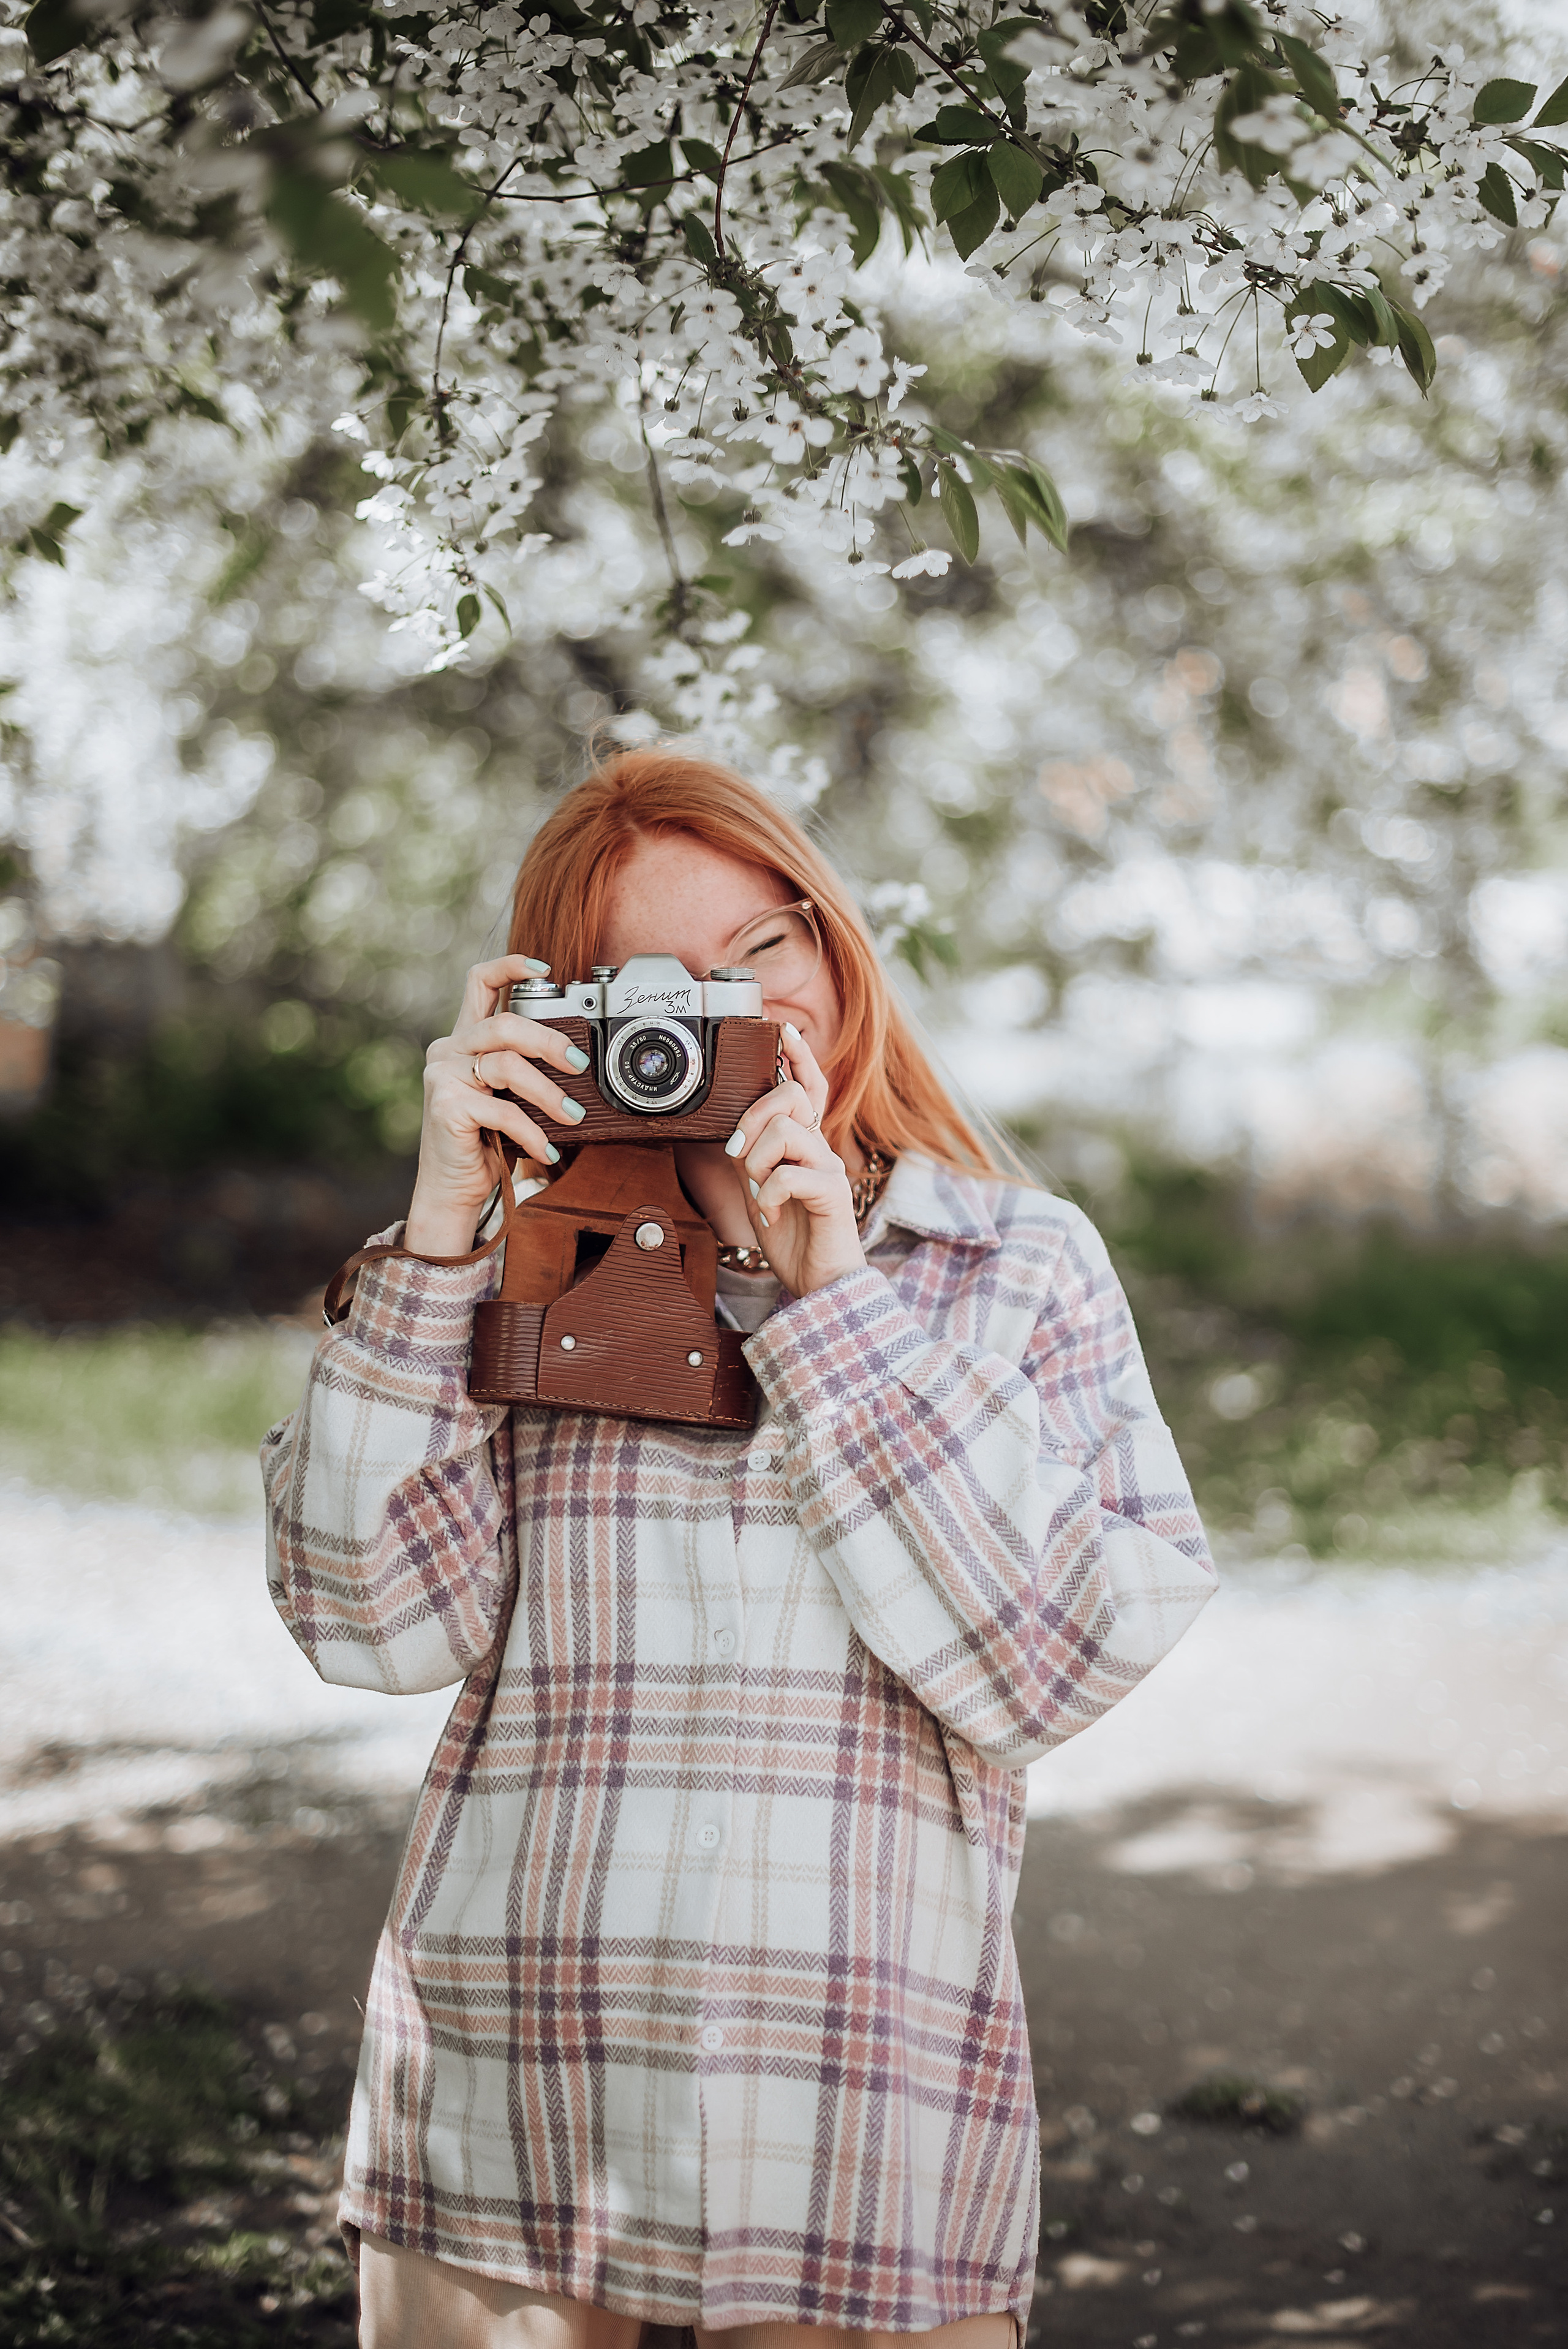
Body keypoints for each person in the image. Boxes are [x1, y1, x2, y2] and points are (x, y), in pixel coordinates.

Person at [262, 746, 1215, 2349]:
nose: (700, 1020)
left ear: (833, 953)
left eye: (752, 955)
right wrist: (441, 1236)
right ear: (551, 1020)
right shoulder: (499, 1268)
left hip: (855, 2097)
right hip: (520, 2070)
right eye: (643, 985)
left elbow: (1053, 1662)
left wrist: (837, 1306)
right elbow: (369, 1625)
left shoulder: (1011, 1264)